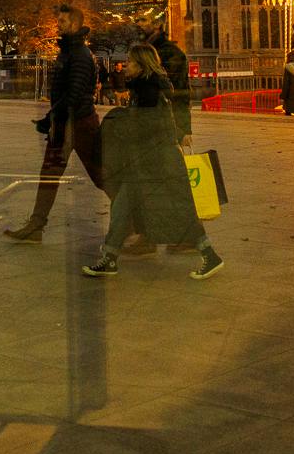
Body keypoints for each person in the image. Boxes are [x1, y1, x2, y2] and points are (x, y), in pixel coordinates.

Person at [80, 45, 225, 280]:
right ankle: (109, 258)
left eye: (131, 62)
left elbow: (148, 126)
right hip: (148, 160)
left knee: (178, 210)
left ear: (141, 65)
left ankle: (210, 254)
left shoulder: (148, 90)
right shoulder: (149, 88)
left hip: (156, 161)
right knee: (123, 207)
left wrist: (120, 123)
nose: (126, 65)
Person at [4, 8, 103, 241]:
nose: (59, 24)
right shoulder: (69, 52)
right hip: (65, 124)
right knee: (49, 174)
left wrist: (51, 117)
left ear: (76, 24)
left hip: (80, 124)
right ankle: (36, 225)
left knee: (101, 175)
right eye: (58, 20)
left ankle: (132, 222)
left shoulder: (79, 54)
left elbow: (75, 94)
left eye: (63, 21)